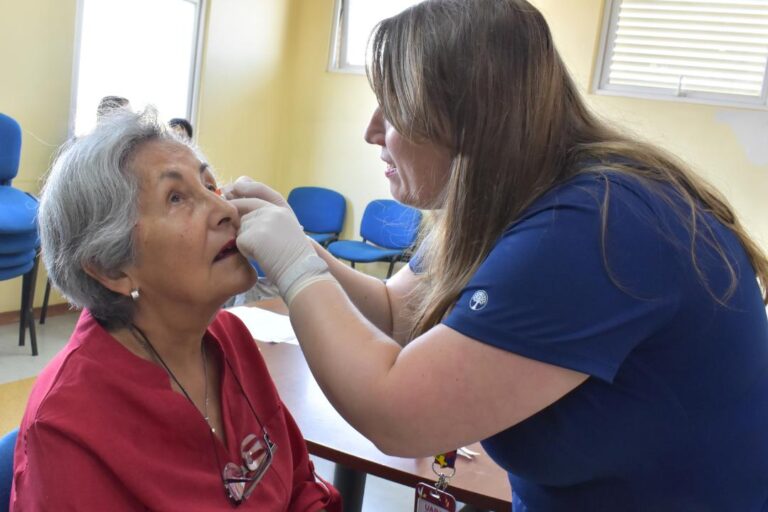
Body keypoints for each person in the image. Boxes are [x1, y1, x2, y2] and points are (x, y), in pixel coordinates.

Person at [224, 0, 768, 510]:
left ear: (467, 122)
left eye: (392, 110)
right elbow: (399, 315)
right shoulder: (515, 200)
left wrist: (296, 265)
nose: (372, 132)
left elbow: (400, 417)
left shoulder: (597, 225)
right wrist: (304, 245)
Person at [11, 109, 340, 511]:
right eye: (177, 198)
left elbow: (299, 483)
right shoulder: (68, 426)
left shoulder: (229, 336)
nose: (227, 211)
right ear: (111, 267)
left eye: (210, 186)